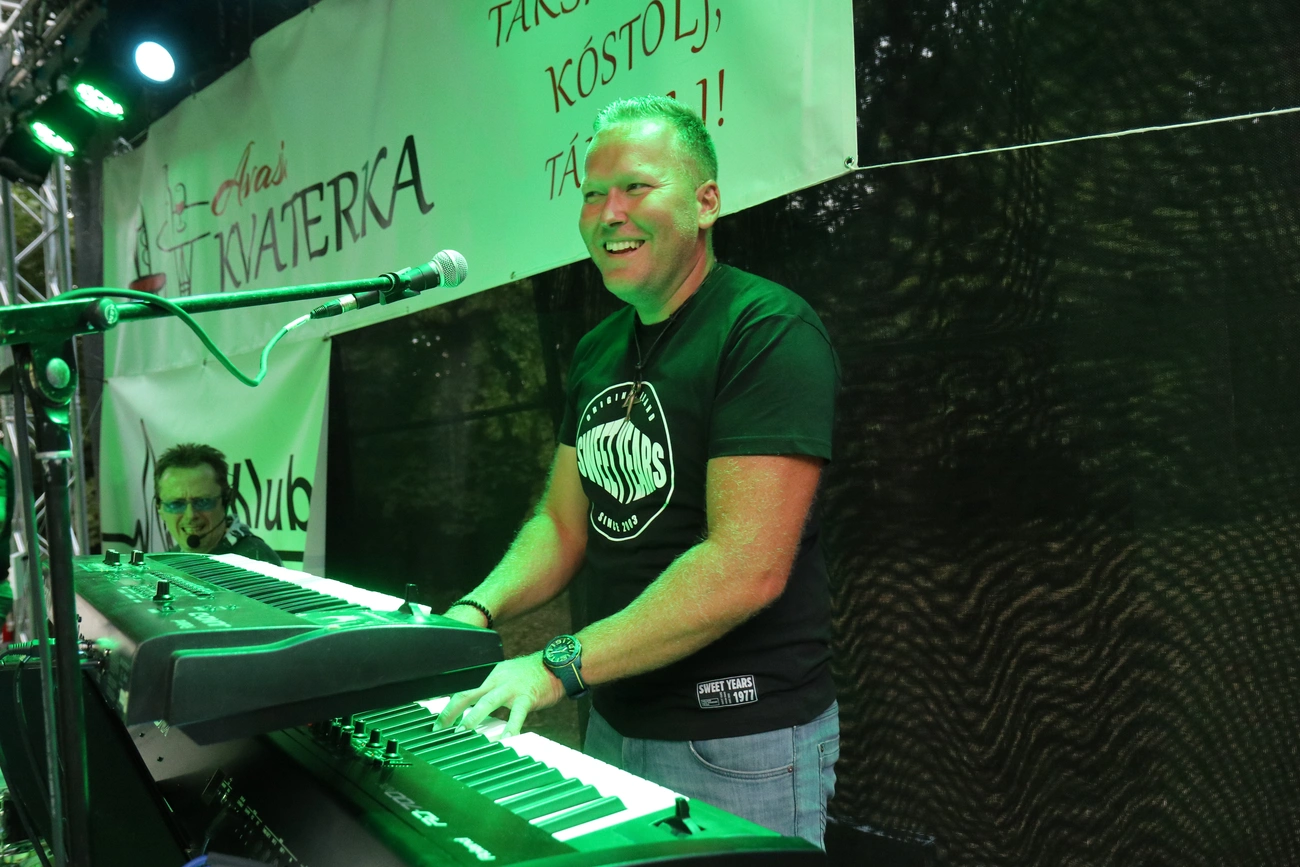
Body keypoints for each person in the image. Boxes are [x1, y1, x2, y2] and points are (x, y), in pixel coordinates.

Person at [436, 95, 839, 847]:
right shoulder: (598, 350)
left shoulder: (765, 329)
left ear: (706, 202)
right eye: (593, 194)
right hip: (613, 717)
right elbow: (563, 523)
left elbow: (745, 566)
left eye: (635, 187)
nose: (609, 213)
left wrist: (555, 665)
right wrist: (473, 611)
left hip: (739, 740)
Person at [153, 443, 281, 566]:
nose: (190, 515)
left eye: (203, 502)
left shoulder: (258, 562)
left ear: (226, 501)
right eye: (176, 504)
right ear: (159, 508)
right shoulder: (165, 563)